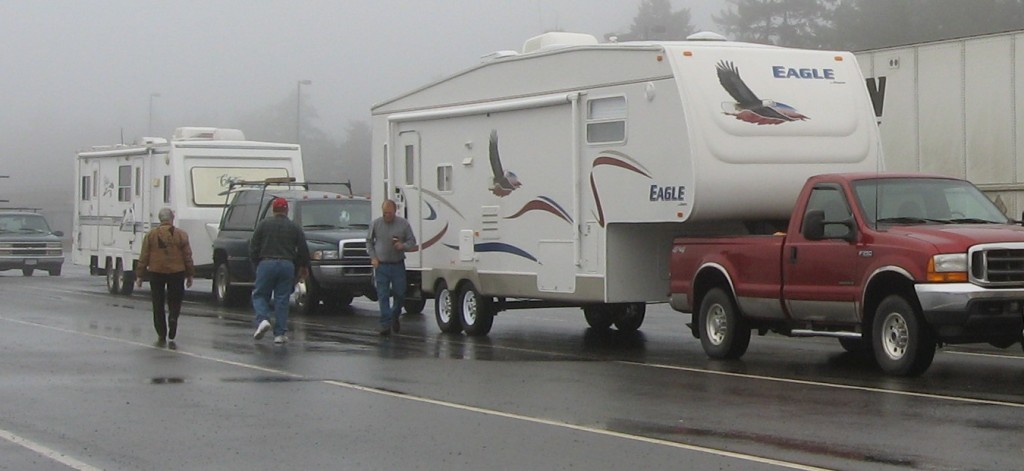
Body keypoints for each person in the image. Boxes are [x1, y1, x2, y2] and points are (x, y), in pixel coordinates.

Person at [250, 197, 310, 344]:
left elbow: (253, 246)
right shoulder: (294, 227)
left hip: (267, 262)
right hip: (287, 264)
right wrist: (303, 267)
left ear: (273, 209)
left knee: (259, 295)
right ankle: (280, 334)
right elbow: (303, 249)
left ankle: (263, 319)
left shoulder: (263, 225)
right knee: (282, 299)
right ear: (286, 210)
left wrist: (256, 264)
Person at [135, 207, 194, 343]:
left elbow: (144, 256)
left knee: (158, 302)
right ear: (172, 219)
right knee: (175, 300)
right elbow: (187, 256)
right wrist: (190, 274)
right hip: (177, 272)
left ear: (159, 219)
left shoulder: (151, 235)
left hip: (156, 272)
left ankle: (161, 332)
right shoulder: (181, 235)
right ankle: (173, 317)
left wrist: (140, 275)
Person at [367, 199, 417, 336]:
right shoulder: (375, 224)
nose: (386, 216)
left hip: (397, 264)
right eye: (384, 213)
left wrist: (403, 246)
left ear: (395, 211)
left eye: (389, 213)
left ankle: (395, 314)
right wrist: (373, 257)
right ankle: (385, 324)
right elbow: (369, 242)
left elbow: (412, 241)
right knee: (382, 295)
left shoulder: (403, 224)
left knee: (400, 294)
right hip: (381, 265)